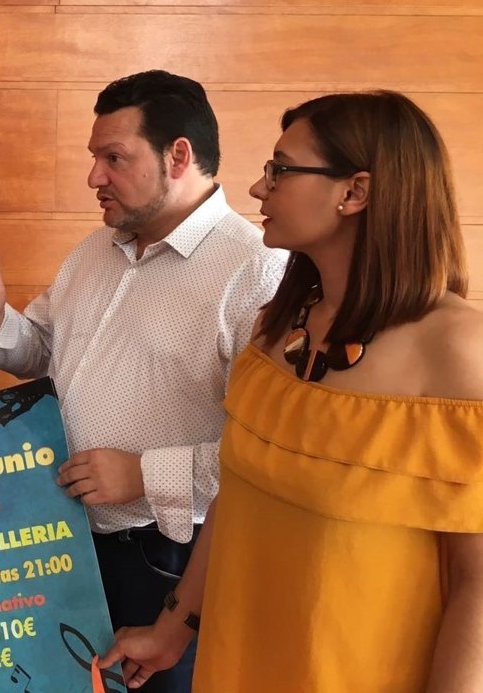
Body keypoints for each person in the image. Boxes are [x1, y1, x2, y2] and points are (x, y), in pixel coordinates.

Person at [99, 90, 483, 691]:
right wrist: (173, 628)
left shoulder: (460, 352)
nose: (258, 188)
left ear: (355, 192)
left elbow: (476, 585)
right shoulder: (276, 327)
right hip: (241, 659)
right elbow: (236, 495)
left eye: (280, 170)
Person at [0, 70, 286, 693]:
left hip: (168, 557)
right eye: (94, 157)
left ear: (178, 155)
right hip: (61, 535)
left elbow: (267, 458)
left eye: (113, 158)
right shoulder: (94, 251)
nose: (93, 177)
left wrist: (145, 474)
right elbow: (45, 349)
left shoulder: (256, 273)